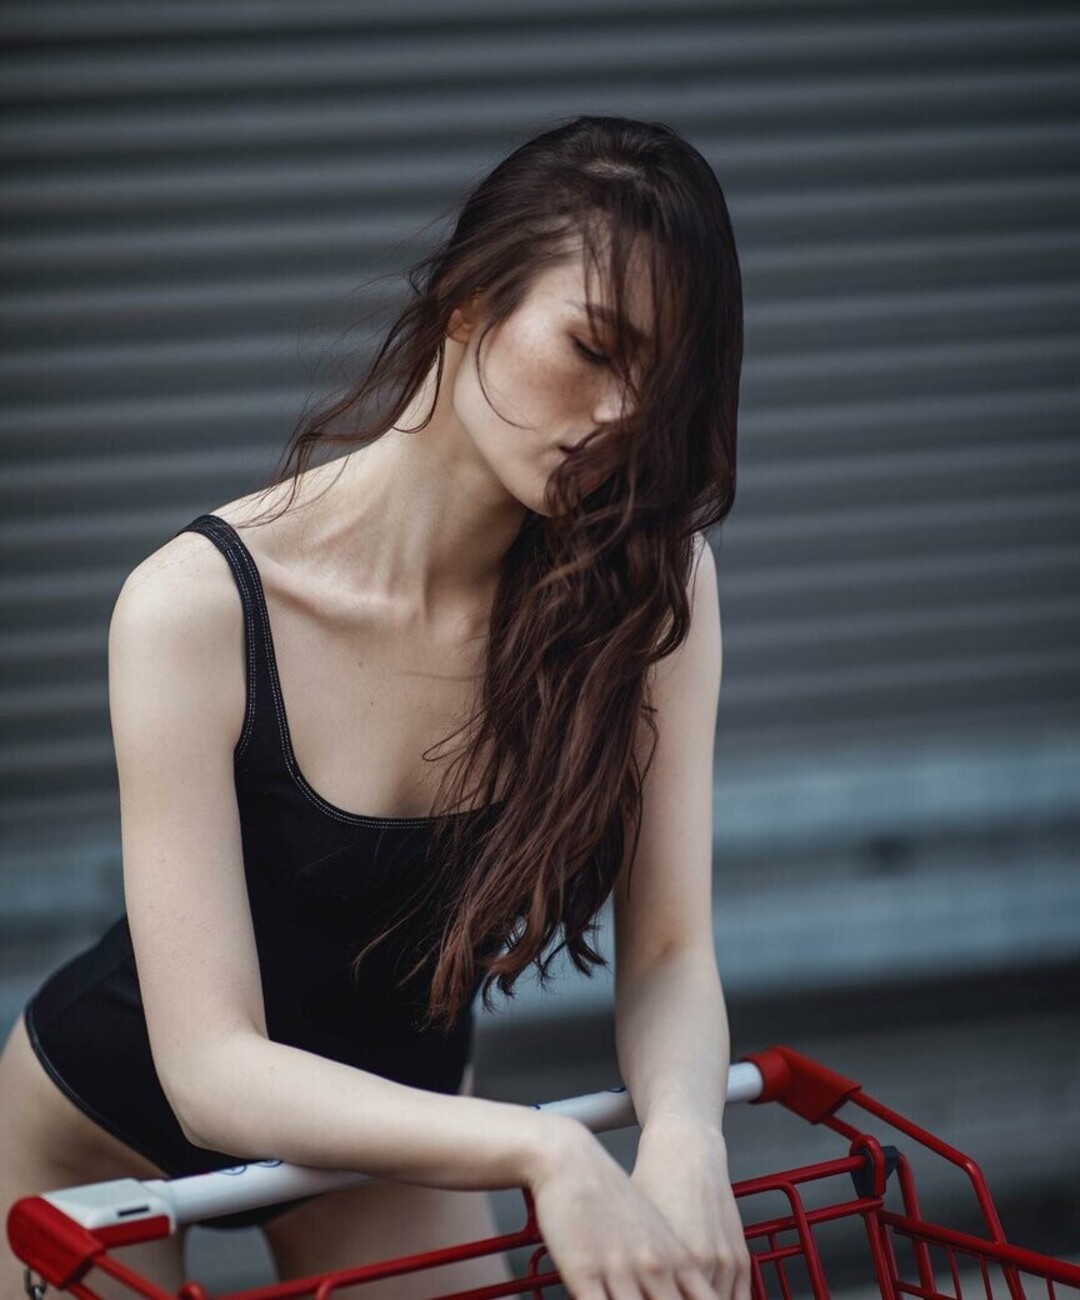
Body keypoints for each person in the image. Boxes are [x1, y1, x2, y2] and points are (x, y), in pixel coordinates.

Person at [0, 113, 748, 1300]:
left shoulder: (651, 592)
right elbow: (209, 1070)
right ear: (469, 301)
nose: (625, 418)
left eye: (662, 385)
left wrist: (686, 1132)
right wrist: (544, 1146)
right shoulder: (196, 607)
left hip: (390, 1135)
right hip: (104, 1131)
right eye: (596, 347)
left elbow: (666, 949)